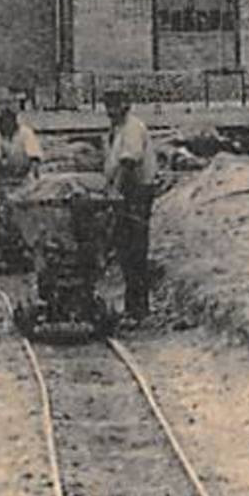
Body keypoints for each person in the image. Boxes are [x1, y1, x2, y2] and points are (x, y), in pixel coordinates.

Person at [103, 90, 158, 325]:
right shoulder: (117, 130)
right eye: (108, 107)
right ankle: (132, 306)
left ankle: (139, 309)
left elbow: (128, 162)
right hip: (125, 192)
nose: (111, 112)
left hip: (135, 193)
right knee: (124, 251)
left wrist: (115, 190)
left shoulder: (133, 127)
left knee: (135, 250)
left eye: (115, 107)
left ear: (126, 106)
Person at [0, 104, 43, 271]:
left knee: (30, 213)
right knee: (2, 212)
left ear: (14, 121)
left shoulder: (26, 134)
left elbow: (34, 158)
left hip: (24, 180)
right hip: (5, 181)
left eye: (8, 120)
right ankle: (5, 247)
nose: (4, 124)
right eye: (1, 121)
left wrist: (35, 177)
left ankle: (31, 248)